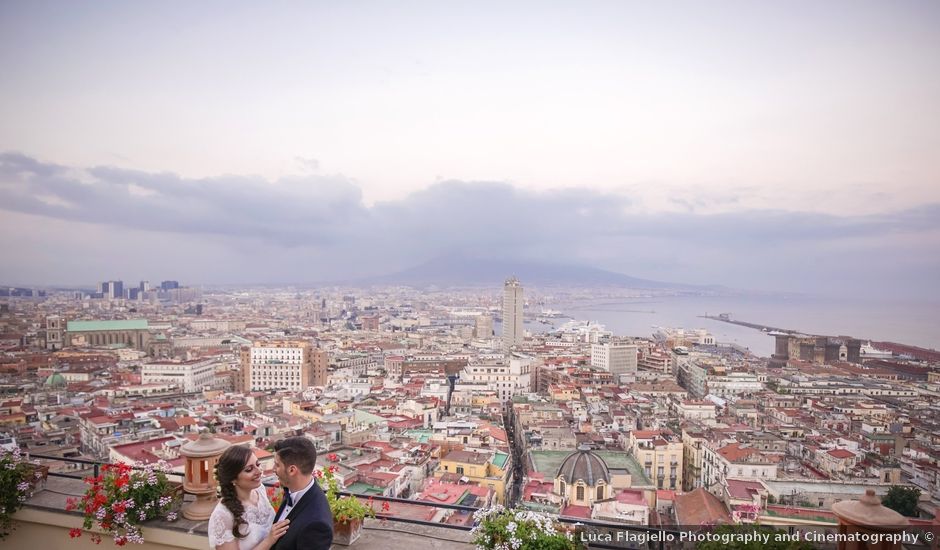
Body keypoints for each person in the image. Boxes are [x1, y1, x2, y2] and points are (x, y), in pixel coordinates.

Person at [208, 445, 290, 550]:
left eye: (258, 464)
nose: (259, 471)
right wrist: (269, 540)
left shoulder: (260, 490)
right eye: (249, 469)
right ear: (233, 479)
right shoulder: (222, 516)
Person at [270, 436, 333, 550]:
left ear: (292, 470)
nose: (273, 469)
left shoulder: (317, 525)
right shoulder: (292, 489)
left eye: (277, 465)